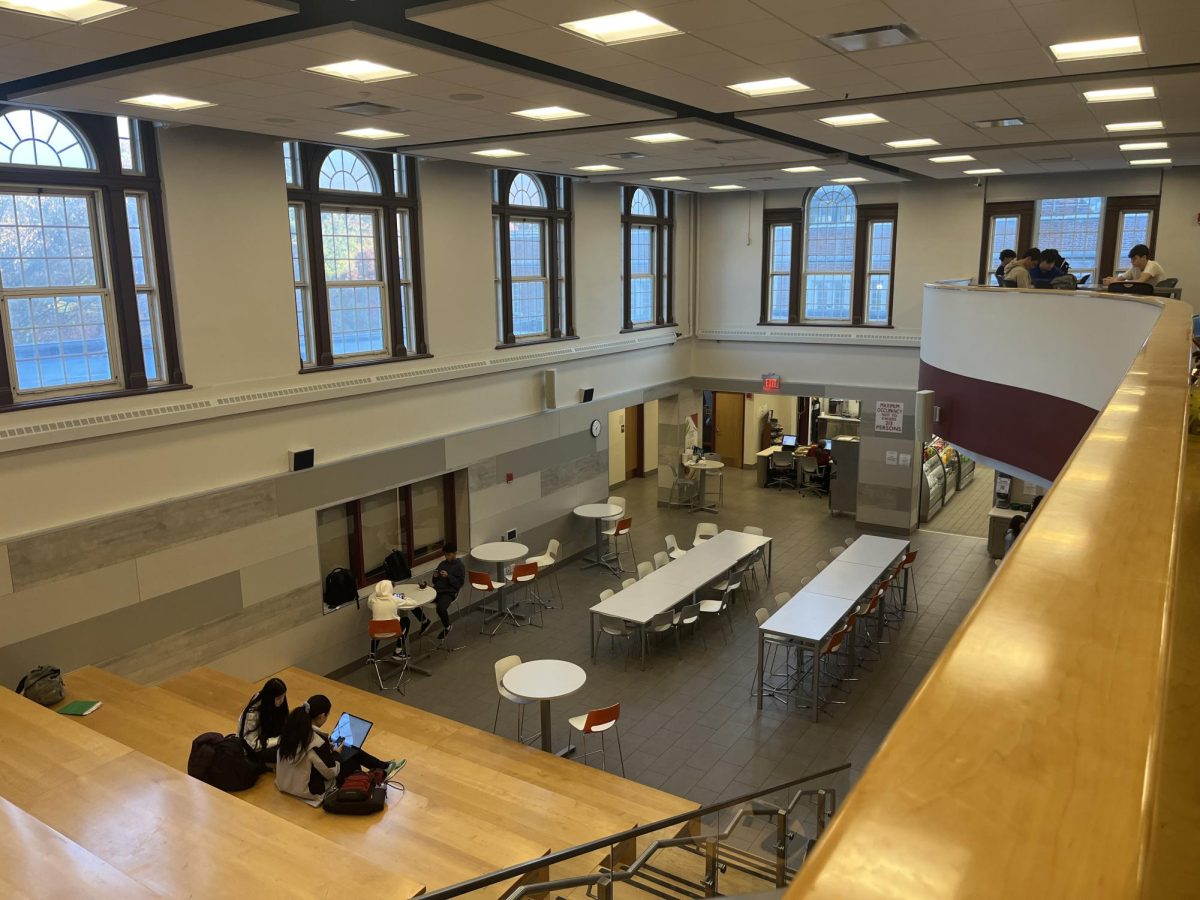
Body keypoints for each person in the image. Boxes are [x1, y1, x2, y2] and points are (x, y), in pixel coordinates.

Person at [275, 694, 401, 801]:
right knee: (351, 758)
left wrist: (329, 751)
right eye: (327, 715)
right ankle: (381, 770)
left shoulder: (290, 729)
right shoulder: (317, 741)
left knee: (349, 751)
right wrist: (336, 754)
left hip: (285, 782)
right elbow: (331, 773)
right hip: (307, 790)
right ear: (321, 716)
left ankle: (383, 767)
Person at [238, 677, 289, 768]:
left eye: (284, 696)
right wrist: (278, 740)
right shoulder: (253, 714)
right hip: (253, 748)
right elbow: (251, 745)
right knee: (284, 752)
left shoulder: (272, 704)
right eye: (279, 698)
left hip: (267, 738)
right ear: (270, 697)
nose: (282, 700)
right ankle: (264, 764)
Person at [429, 542, 465, 640]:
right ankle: (424, 621)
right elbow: (434, 581)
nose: (446, 557)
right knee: (419, 601)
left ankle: (447, 627)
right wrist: (435, 577)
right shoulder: (442, 564)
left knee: (440, 608)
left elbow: (460, 584)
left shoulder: (460, 566)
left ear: (454, 553)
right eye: (445, 555)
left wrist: (448, 576)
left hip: (449, 592)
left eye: (448, 555)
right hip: (437, 590)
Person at [369, 579, 411, 660]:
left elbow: (370, 605)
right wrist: (405, 598)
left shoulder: (373, 601)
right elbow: (413, 604)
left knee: (378, 622)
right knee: (406, 620)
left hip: (376, 633)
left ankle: (372, 654)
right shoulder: (394, 599)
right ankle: (398, 651)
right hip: (394, 632)